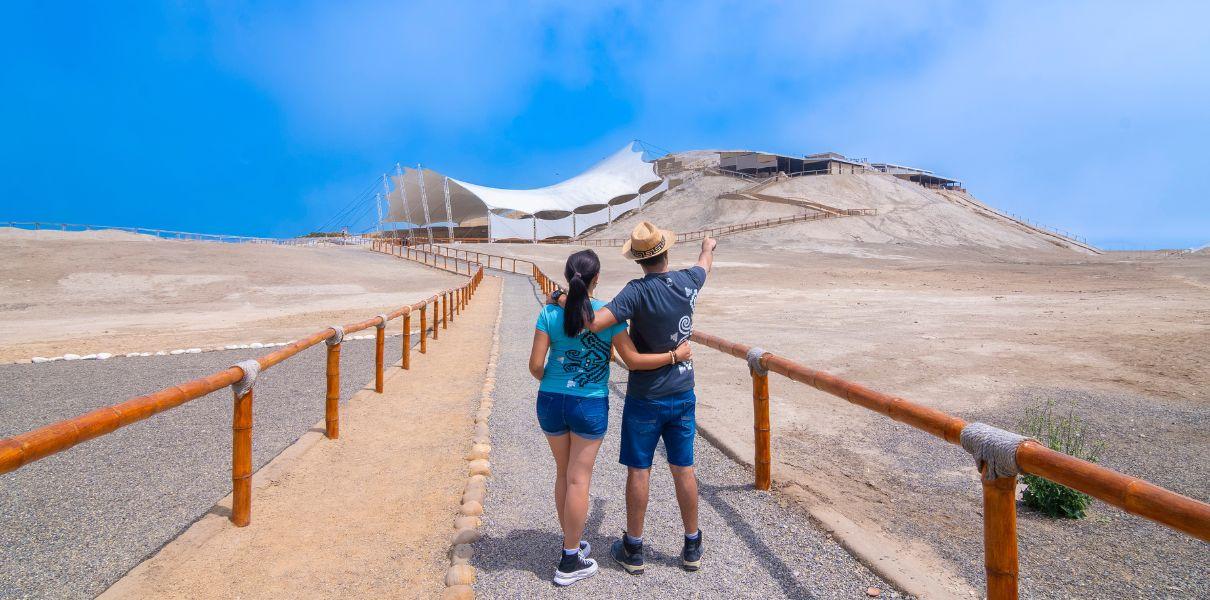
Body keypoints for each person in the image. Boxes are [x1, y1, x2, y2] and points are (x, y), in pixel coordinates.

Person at [554, 221, 716, 575]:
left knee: (640, 469)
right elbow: (704, 263)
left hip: (646, 395)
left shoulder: (635, 292)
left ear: (638, 260)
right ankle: (692, 544)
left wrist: (562, 298)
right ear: (666, 252)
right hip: (683, 391)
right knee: (683, 468)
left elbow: (593, 322)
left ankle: (634, 549)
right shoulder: (690, 279)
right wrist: (707, 245)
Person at [529, 248, 692, 587]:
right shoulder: (607, 315)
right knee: (579, 480)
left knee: (563, 474)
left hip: (550, 400)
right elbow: (633, 360)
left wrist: (555, 381)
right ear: (597, 279)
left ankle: (571, 543)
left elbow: (534, 366)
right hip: (588, 403)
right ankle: (569, 560)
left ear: (568, 276)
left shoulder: (549, 311)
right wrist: (674, 356)